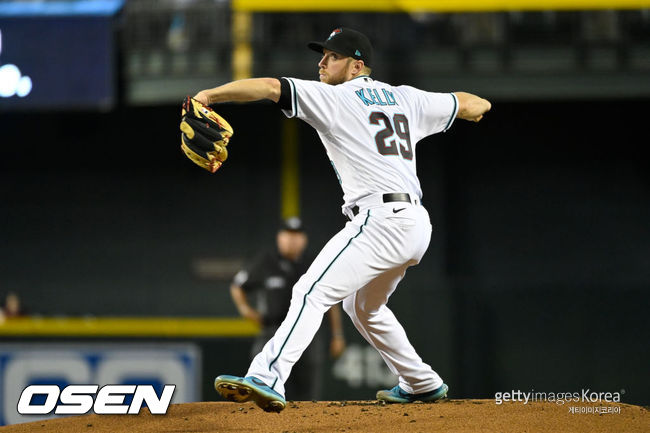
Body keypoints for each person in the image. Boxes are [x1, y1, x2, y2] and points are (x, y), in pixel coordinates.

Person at [194, 27, 491, 412]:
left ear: (356, 66)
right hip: (416, 224)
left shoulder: (336, 98)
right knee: (362, 307)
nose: (321, 62)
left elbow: (269, 87)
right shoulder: (406, 98)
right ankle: (421, 382)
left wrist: (208, 96)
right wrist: (482, 109)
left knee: (309, 291)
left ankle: (266, 376)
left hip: (380, 219)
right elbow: (471, 103)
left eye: (331, 56)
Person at [229, 217, 345, 401]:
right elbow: (237, 285)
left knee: (307, 393)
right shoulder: (266, 261)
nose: (292, 240)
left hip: (308, 334)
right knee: (261, 387)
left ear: (304, 240)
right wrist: (246, 310)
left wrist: (337, 335)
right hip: (271, 331)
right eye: (288, 235)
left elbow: (332, 302)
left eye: (297, 235)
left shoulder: (313, 262)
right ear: (279, 238)